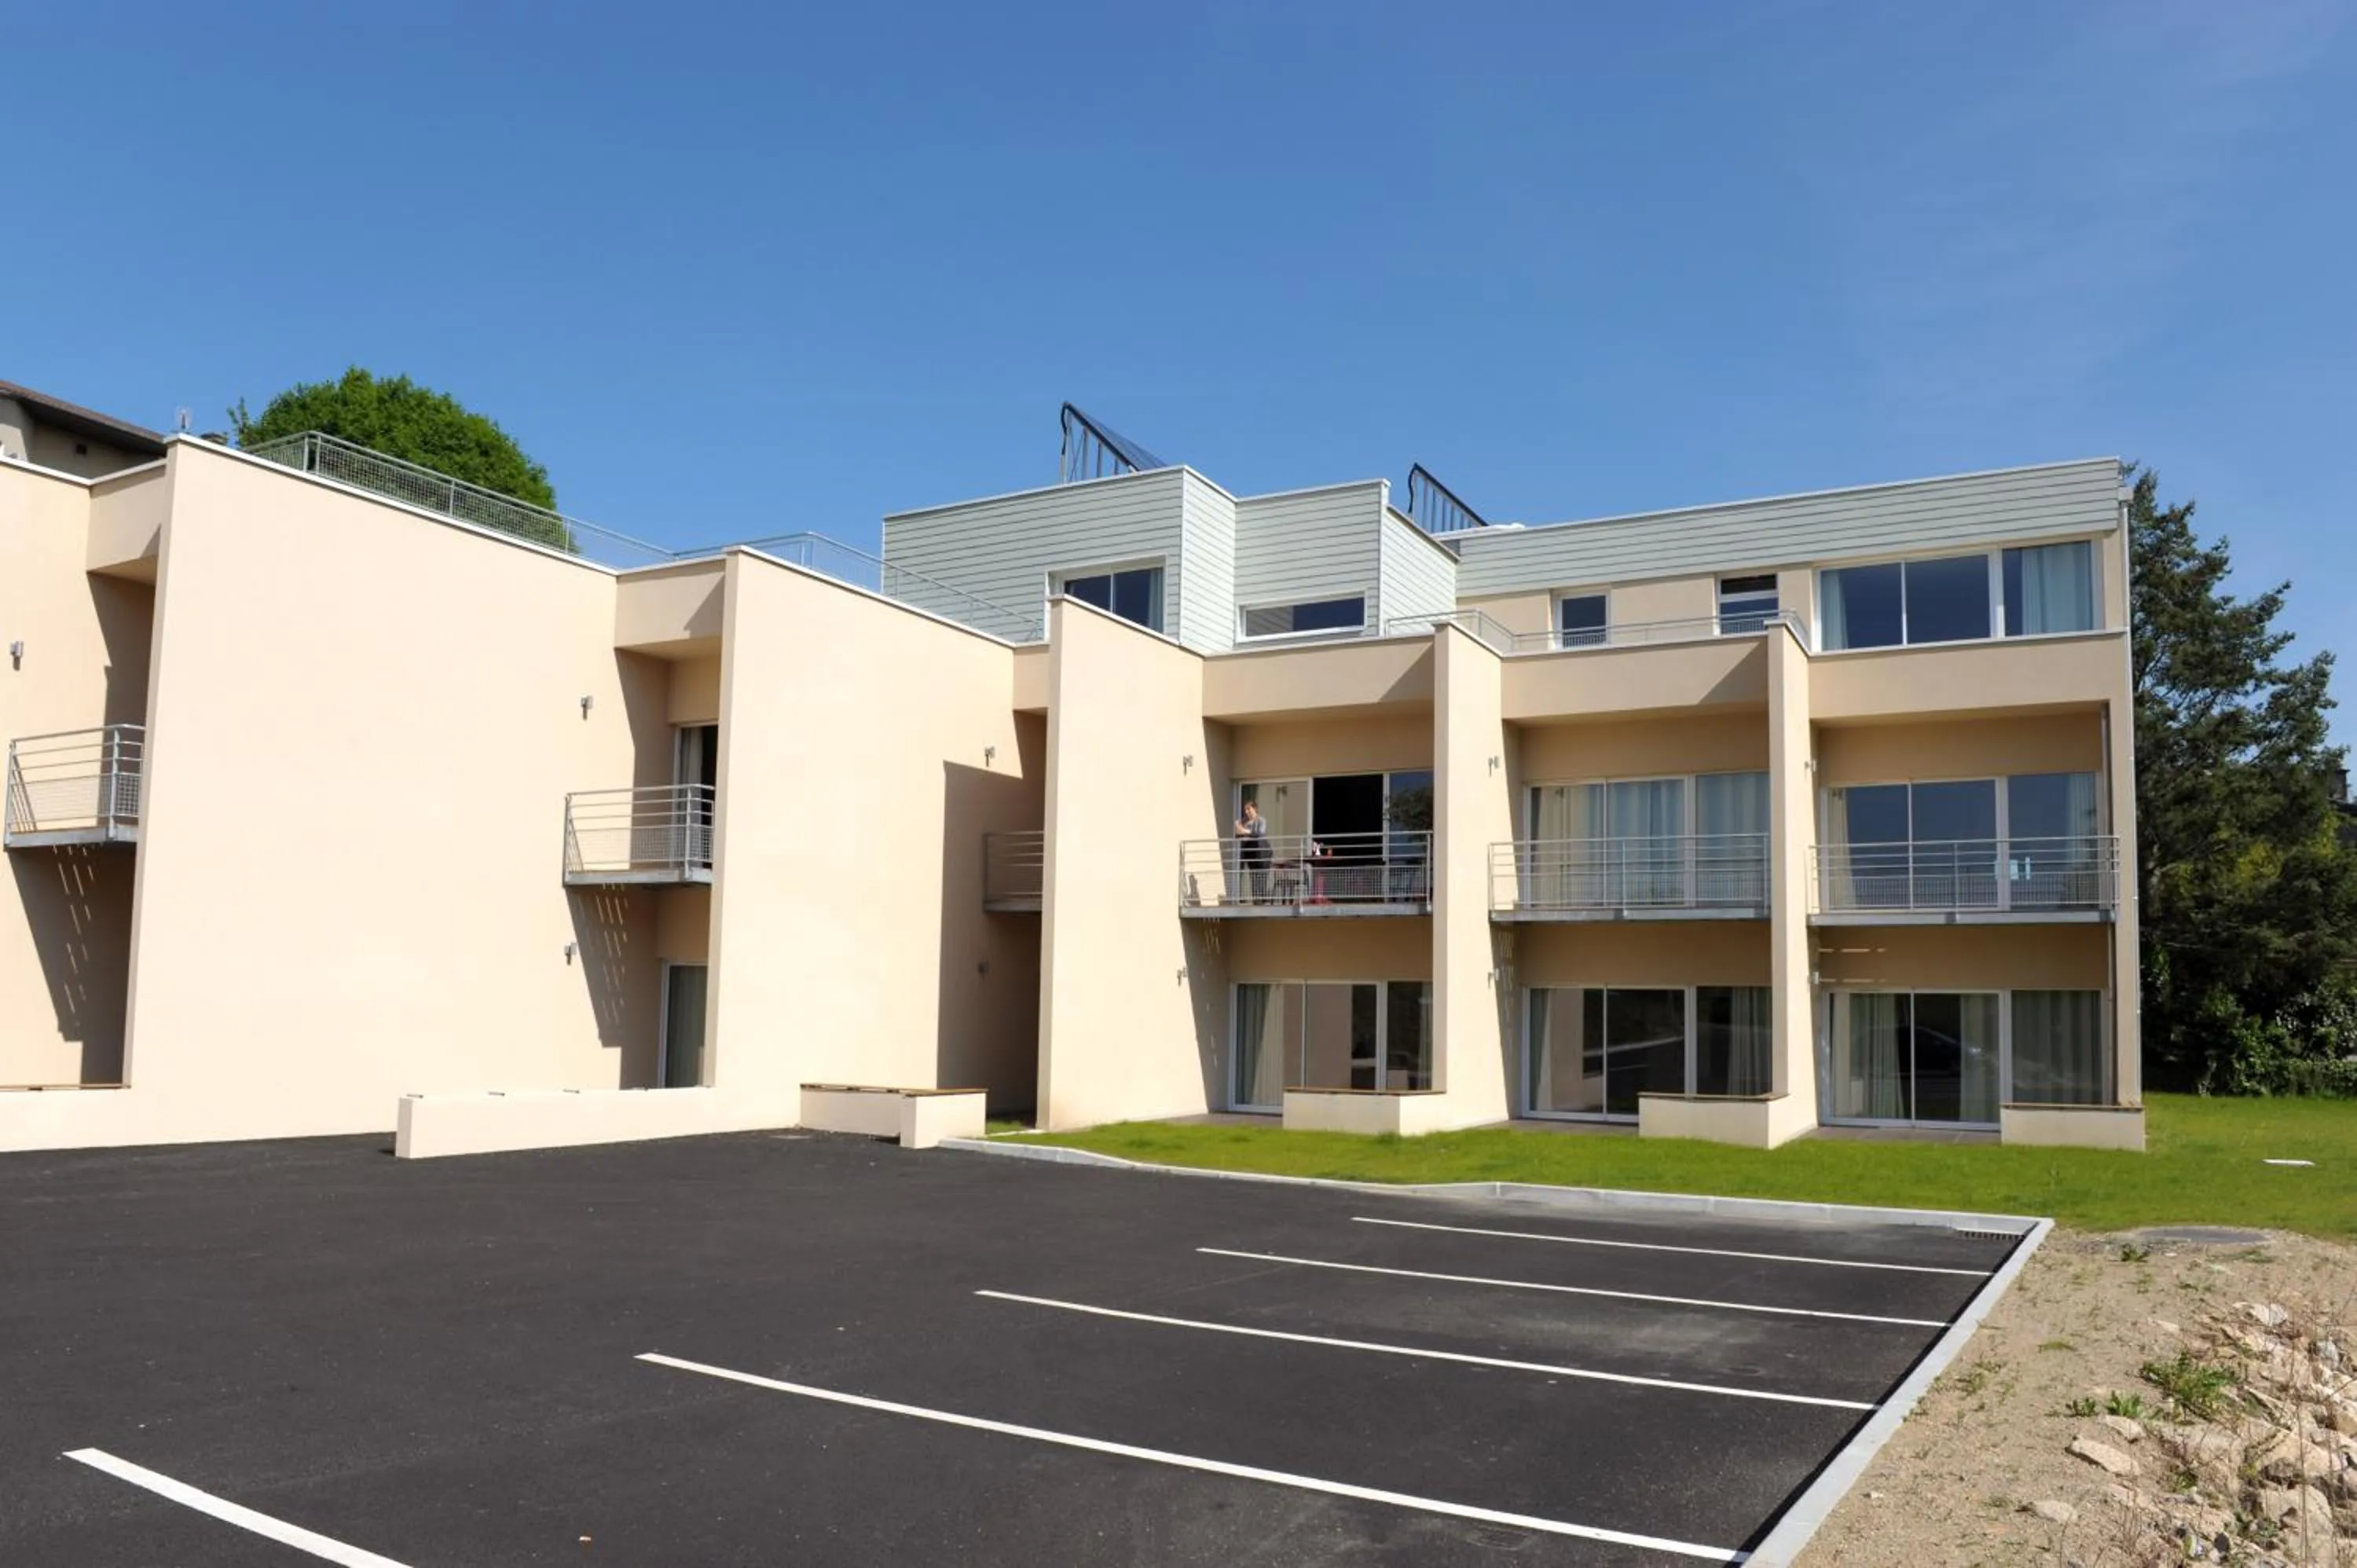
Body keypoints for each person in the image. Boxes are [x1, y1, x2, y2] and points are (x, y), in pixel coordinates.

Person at [1235, 798, 1272, 903]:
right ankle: (1255, 898)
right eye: (1245, 809)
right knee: (1253, 874)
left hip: (1262, 851)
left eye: (1248, 809)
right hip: (1249, 850)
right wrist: (1239, 830)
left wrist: (1244, 831)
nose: (1246, 811)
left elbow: (1260, 833)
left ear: (1254, 809)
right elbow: (1238, 835)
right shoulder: (1243, 821)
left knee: (1262, 874)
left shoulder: (1261, 820)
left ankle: (1262, 899)